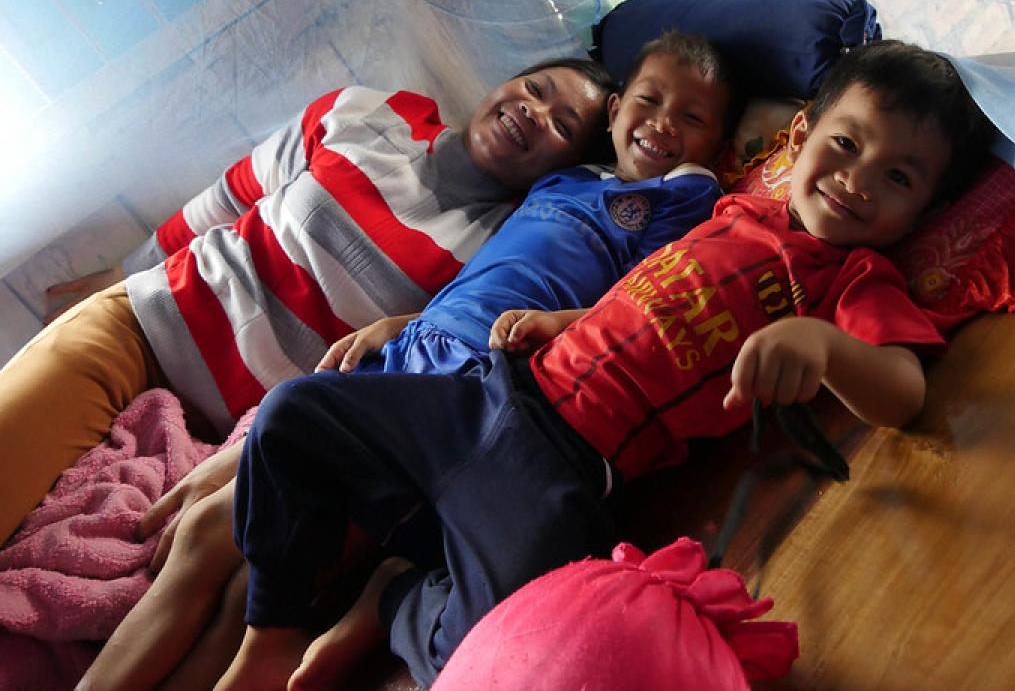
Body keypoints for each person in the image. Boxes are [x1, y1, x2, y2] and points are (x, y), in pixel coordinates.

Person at [212, 39, 997, 690]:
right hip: (489, 392)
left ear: (924, 208)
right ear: (801, 137)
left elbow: (904, 391)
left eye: (898, 177)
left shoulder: (856, 281)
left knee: (514, 648)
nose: (857, 181)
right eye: (846, 145)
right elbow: (645, 296)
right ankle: (272, 633)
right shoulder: (739, 209)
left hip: (563, 471)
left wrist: (826, 346)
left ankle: (404, 603)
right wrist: (567, 319)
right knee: (292, 415)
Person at [77, 30, 741, 691]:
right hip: (408, 353)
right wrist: (407, 321)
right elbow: (486, 276)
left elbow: (648, 301)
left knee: (249, 579)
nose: (662, 125)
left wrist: (735, 152)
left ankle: (320, 622)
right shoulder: (561, 182)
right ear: (622, 106)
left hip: (474, 384)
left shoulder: (680, 202)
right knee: (202, 535)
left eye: (692, 119)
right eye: (649, 102)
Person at [0, 56, 617, 545]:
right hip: (146, 326)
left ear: (567, 167)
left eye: (564, 125)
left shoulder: (505, 249)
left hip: (234, 440)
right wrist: (122, 270)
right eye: (535, 88)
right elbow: (233, 193)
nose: (534, 112)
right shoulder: (371, 114)